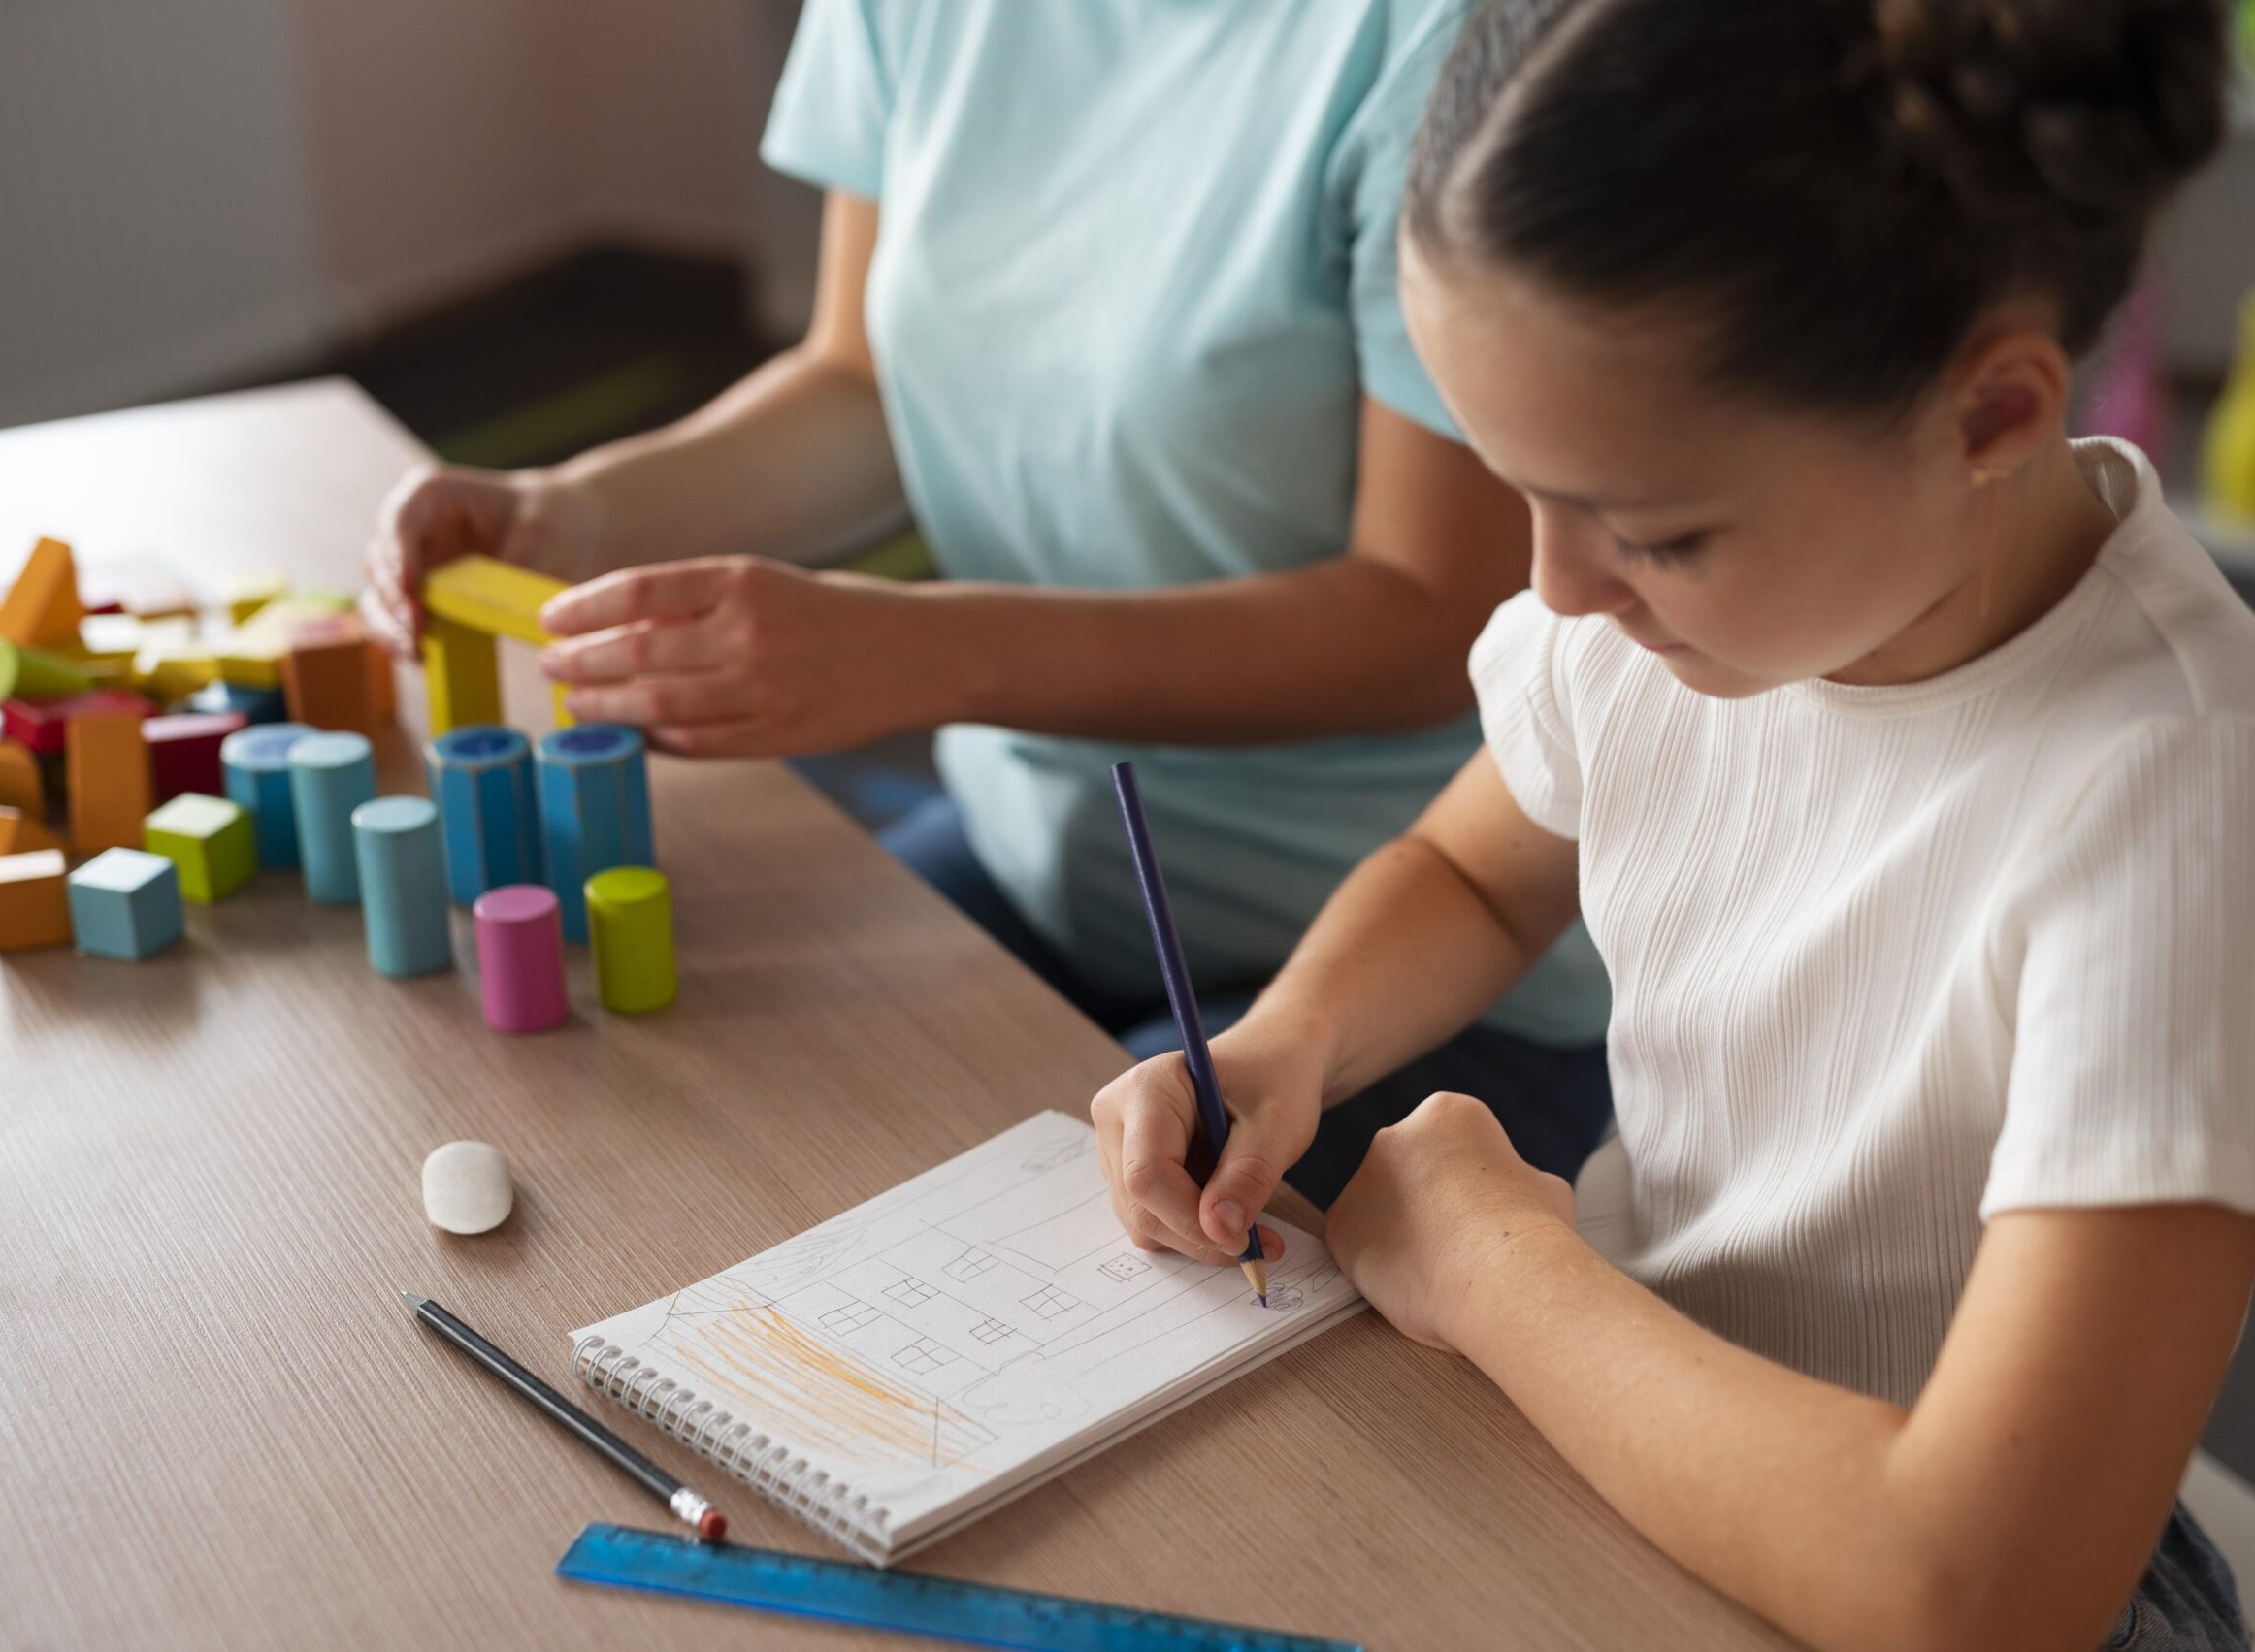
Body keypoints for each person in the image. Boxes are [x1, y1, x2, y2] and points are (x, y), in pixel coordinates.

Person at [1089, 1, 2255, 1645]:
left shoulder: (2175, 803)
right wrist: (1292, 1044)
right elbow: (1473, 873)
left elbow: (1981, 1586)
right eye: (1525, 489)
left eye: (1654, 528)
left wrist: (1499, 1269)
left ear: (1990, 418)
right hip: (1633, 1401)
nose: (1558, 587)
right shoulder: (1674, 615)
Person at [362, 0, 1613, 1197]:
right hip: (1031, 847)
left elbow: (1431, 616)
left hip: (1413, 959)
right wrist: (570, 513)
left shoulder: (1454, 35)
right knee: (684, 1142)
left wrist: (931, 656)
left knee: (1092, 1278)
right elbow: (861, 380)